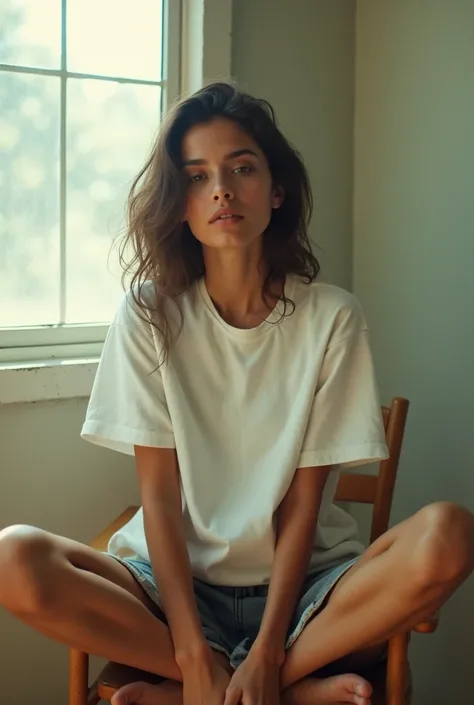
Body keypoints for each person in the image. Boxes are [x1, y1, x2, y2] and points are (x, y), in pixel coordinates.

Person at [0, 82, 473, 705]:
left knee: (450, 534)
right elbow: (160, 498)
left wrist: (271, 645)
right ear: (180, 204)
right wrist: (193, 652)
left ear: (276, 191)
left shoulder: (332, 317)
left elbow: (304, 507)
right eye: (196, 177)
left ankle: (258, 678)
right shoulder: (149, 313)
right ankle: (244, 683)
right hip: (172, 595)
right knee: (14, 558)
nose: (220, 189)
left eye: (241, 168)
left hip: (306, 588)